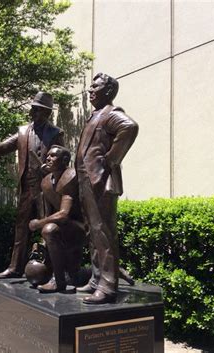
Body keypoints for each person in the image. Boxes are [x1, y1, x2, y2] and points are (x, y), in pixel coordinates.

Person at [0, 92, 64, 279]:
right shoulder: (23, 131)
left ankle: (53, 271)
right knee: (21, 228)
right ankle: (15, 268)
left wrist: (51, 168)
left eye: (37, 110)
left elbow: (62, 158)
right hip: (27, 188)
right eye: (32, 109)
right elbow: (5, 145)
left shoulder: (56, 133)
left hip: (45, 188)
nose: (33, 112)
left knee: (48, 229)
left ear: (46, 112)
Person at [75, 73, 139, 304]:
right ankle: (96, 278)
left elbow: (130, 127)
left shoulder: (111, 114)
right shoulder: (95, 115)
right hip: (87, 181)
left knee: (103, 233)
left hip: (100, 181)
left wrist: (110, 160)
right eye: (90, 86)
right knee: (93, 233)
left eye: (96, 87)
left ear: (109, 91)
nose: (90, 90)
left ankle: (108, 285)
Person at [28, 145, 85, 293]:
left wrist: (38, 224)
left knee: (49, 229)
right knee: (48, 230)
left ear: (65, 160)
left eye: (53, 156)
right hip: (63, 226)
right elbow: (48, 214)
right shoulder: (46, 181)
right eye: (47, 155)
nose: (48, 158)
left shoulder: (71, 176)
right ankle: (60, 276)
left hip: (80, 227)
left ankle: (58, 282)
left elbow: (64, 214)